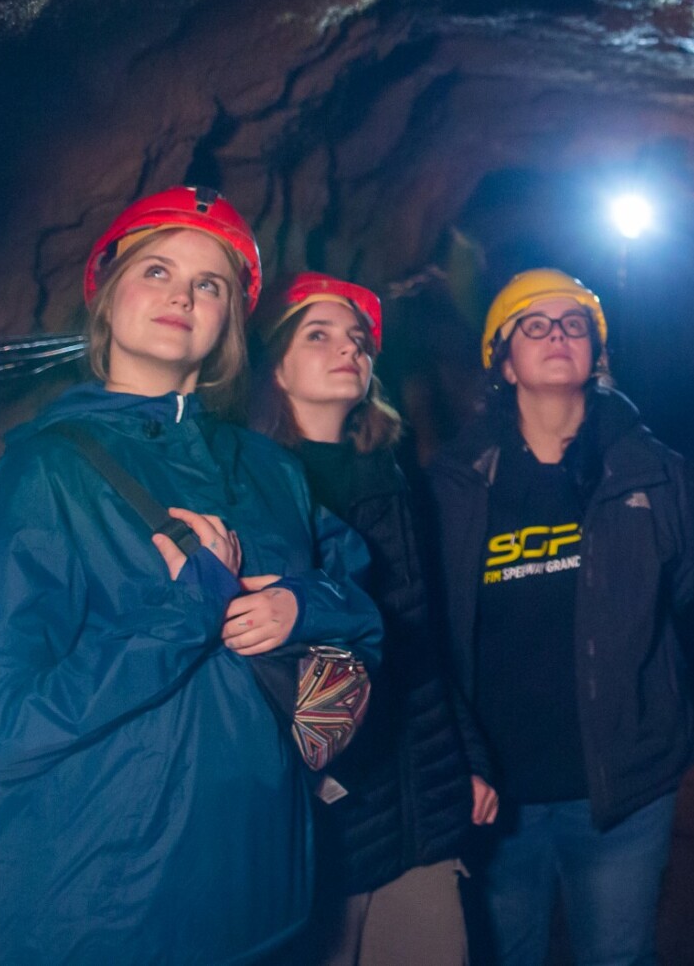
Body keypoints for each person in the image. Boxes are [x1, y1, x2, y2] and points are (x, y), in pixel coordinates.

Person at [0, 188, 384, 966]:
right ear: (107, 294)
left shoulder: (269, 471)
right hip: (108, 917)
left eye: (210, 283)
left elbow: (364, 603)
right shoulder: (43, 475)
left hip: (268, 904)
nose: (183, 294)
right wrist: (184, 612)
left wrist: (300, 606)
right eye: (157, 269)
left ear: (228, 324)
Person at [429, 269, 694, 966]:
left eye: (573, 324)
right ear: (505, 361)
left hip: (620, 788)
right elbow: (432, 630)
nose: (557, 336)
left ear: (596, 353)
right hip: (496, 792)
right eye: (535, 326)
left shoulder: (650, 472)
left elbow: (688, 593)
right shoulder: (453, 484)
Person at [250, 272, 476, 966]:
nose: (348, 348)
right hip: (324, 823)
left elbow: (424, 640)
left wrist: (466, 759)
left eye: (358, 339)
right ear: (277, 369)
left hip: (420, 805)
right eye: (318, 335)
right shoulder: (250, 489)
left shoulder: (390, 476)